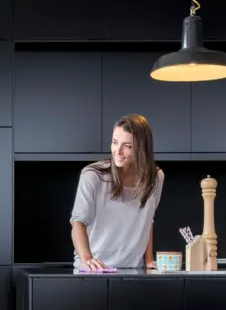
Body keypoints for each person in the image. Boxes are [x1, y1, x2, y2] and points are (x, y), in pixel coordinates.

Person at [70, 114, 164, 270]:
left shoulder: (156, 177)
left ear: (142, 148)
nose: (117, 151)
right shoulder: (92, 175)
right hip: (95, 269)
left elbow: (148, 220)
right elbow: (78, 223)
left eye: (127, 146)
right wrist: (87, 260)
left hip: (133, 269)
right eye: (114, 142)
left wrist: (149, 259)